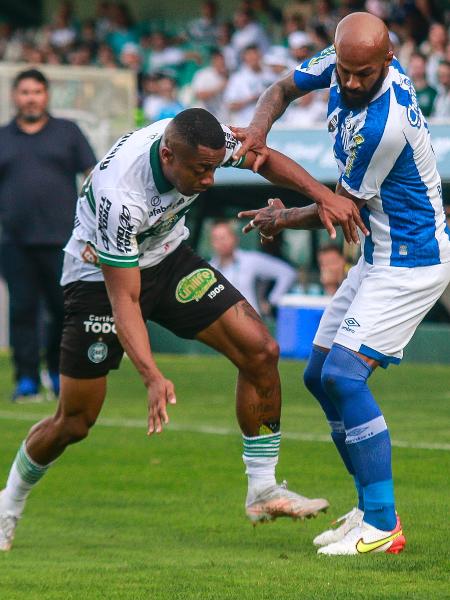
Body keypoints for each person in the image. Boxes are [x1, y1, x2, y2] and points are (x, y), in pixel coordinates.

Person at [0, 108, 366, 551]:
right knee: (75, 420)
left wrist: (321, 195)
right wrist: (152, 375)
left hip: (169, 259)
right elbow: (126, 298)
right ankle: (9, 503)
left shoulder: (203, 142)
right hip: (99, 280)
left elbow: (261, 156)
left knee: (260, 350)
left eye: (215, 167)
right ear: (168, 156)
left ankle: (263, 489)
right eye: (200, 171)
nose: (210, 180)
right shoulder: (122, 195)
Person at [235, 12, 450, 555]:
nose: (350, 83)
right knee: (316, 374)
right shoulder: (341, 62)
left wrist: (281, 217)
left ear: (390, 63)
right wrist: (257, 133)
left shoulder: (385, 124)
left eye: (363, 74)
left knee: (345, 375)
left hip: (412, 260)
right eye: (346, 71)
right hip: (380, 255)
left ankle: (383, 526)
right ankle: (366, 510)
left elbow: (339, 210)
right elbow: (282, 88)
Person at [0, 68, 96, 402]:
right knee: (23, 310)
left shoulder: (67, 132)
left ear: (46, 95)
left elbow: (93, 175)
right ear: (15, 96)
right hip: (13, 242)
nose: (31, 98)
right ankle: (26, 380)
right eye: (24, 92)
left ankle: (57, 373)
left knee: (63, 309)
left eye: (37, 92)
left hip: (63, 240)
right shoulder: (3, 137)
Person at [209, 220, 296, 316]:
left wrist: (272, 301)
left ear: (235, 238)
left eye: (224, 237)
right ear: (212, 243)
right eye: (216, 239)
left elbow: (287, 273)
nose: (221, 242)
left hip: (251, 323)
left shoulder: (251, 260)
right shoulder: (208, 270)